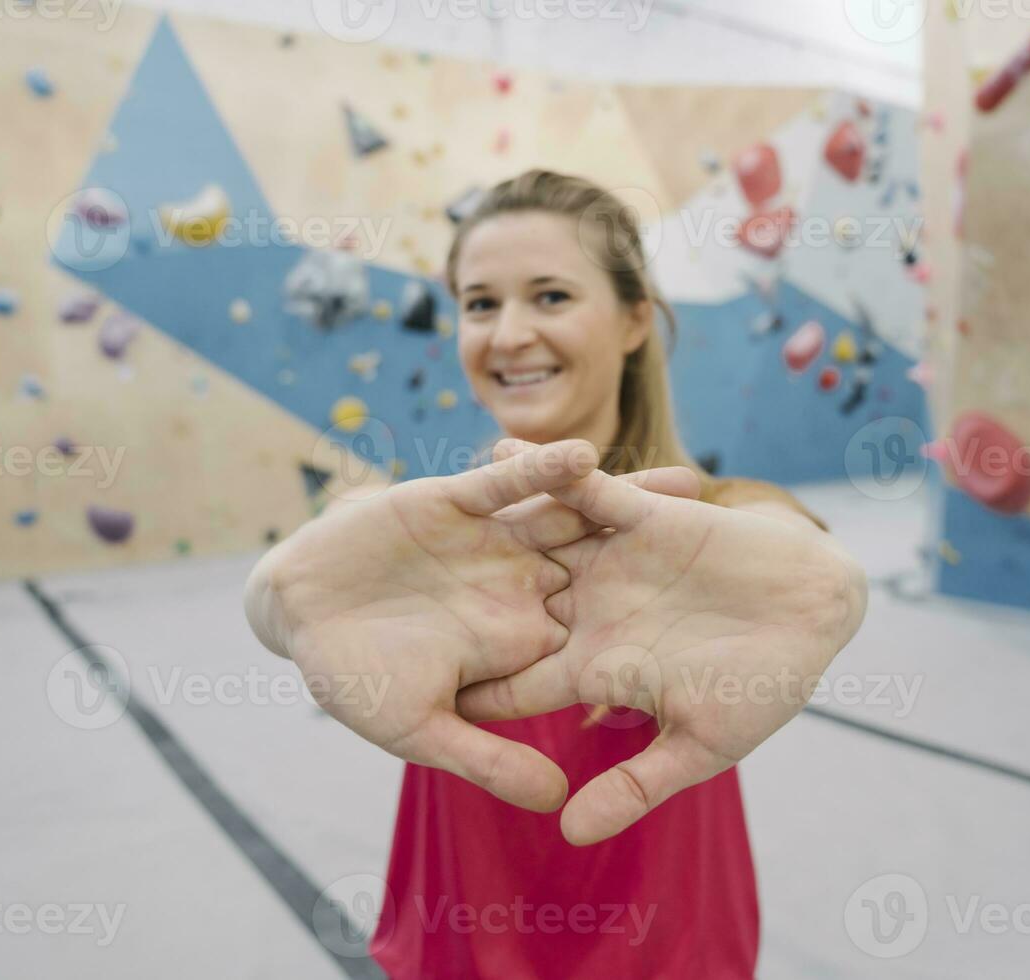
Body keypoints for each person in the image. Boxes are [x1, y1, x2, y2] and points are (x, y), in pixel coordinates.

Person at [243, 170, 868, 978]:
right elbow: (297, 593)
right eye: (479, 303)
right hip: (461, 936)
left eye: (549, 297)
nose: (507, 335)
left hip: (670, 947)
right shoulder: (418, 542)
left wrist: (833, 589)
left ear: (636, 318)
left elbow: (809, 571)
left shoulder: (724, 517)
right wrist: (278, 599)